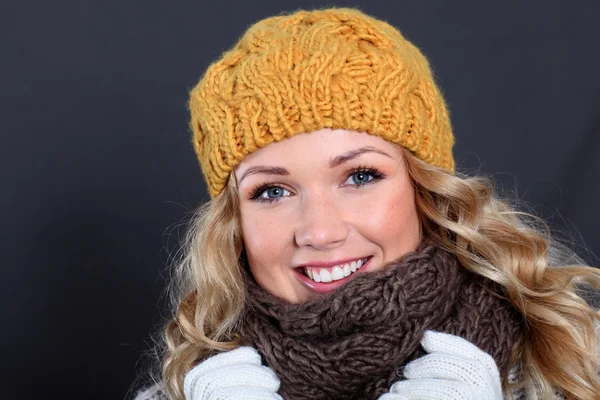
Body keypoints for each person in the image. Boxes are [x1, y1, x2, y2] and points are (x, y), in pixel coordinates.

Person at [133, 7, 600, 400]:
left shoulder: (569, 362)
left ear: (425, 189)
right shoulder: (189, 388)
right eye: (272, 192)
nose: (319, 231)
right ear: (234, 221)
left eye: (360, 176)